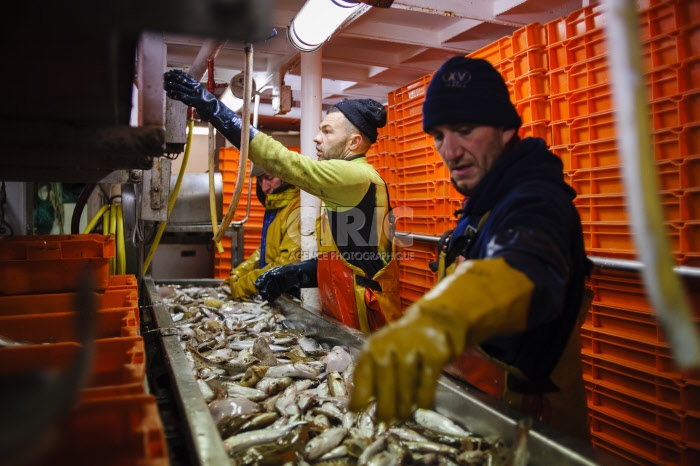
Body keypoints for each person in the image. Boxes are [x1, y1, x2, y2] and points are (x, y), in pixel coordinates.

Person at [349, 56, 593, 442]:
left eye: (464, 130)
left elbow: (524, 270)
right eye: (439, 135)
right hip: (486, 415)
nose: (450, 150)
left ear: (506, 129)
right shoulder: (485, 202)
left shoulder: (537, 201)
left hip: (533, 430)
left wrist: (435, 323)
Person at [164, 70, 402, 333]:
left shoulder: (355, 176)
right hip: (350, 312)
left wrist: (210, 106)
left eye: (327, 131)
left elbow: (282, 162)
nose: (316, 138)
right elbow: (353, 259)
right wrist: (297, 272)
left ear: (354, 142)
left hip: (371, 319)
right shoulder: (344, 186)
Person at [223, 166, 302, 301]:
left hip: (293, 296)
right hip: (276, 292)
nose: (264, 187)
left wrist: (244, 285)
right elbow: (266, 249)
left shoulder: (298, 208)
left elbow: (288, 263)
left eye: (269, 178)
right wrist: (239, 273)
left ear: (286, 177)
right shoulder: (276, 206)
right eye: (260, 181)